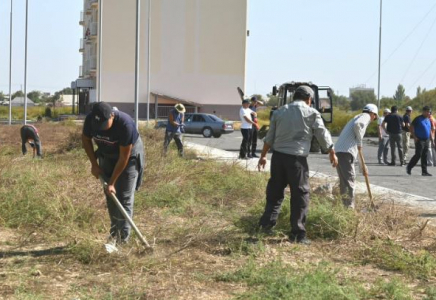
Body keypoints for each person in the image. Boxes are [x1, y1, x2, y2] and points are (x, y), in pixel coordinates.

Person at [257, 85, 337, 244]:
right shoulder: (312, 112)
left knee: (275, 192)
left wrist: (263, 156)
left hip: (278, 159)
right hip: (297, 161)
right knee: (300, 195)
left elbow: (269, 137)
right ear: (309, 99)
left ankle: (265, 226)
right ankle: (297, 234)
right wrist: (331, 152)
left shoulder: (279, 112)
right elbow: (322, 133)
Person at [82, 102, 145, 244]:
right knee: (110, 196)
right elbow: (86, 140)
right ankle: (114, 233)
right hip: (107, 154)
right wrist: (94, 164)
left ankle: (123, 241)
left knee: (124, 197)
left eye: (105, 124)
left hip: (128, 158)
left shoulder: (125, 124)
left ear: (112, 115)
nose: (102, 129)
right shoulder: (90, 120)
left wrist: (112, 182)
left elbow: (124, 157)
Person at [335, 104, 378, 209]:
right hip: (345, 152)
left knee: (344, 181)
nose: (374, 118)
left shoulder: (357, 116)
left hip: (341, 151)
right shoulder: (365, 116)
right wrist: (360, 142)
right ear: (372, 113)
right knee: (349, 180)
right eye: (375, 116)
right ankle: (349, 208)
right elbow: (357, 125)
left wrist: (362, 166)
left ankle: (345, 206)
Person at [406, 106, 434, 176]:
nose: (428, 113)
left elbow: (430, 130)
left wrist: (432, 139)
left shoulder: (428, 119)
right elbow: (411, 127)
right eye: (427, 111)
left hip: (427, 139)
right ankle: (409, 167)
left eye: (429, 112)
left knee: (425, 155)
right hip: (419, 139)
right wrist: (414, 136)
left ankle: (424, 171)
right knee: (418, 154)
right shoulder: (418, 119)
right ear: (423, 111)